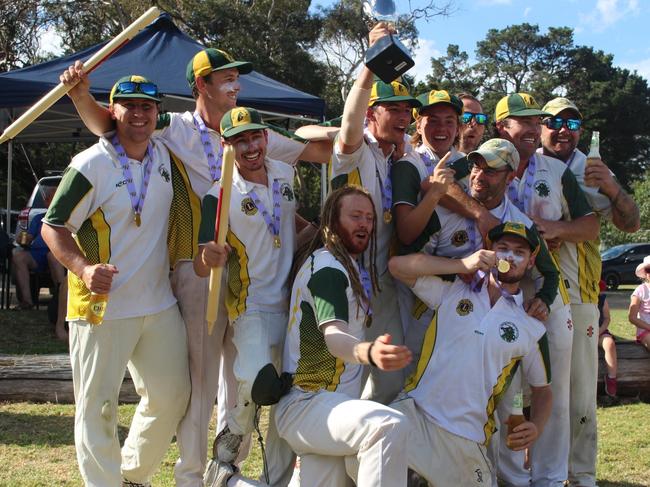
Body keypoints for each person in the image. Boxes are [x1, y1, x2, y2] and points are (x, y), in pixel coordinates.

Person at [61, 48, 330, 486]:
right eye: (226, 78)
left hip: (255, 279)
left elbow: (318, 149)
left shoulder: (252, 130)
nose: (236, 85)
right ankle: (189, 477)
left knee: (238, 384)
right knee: (199, 383)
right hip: (198, 268)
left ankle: (225, 470)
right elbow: (112, 125)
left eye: (236, 78)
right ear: (202, 85)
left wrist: (354, 127)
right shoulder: (176, 127)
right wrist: (79, 96)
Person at [41, 75, 190, 487]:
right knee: (97, 408)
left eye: (147, 106)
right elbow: (52, 226)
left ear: (157, 113)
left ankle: (132, 477)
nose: (139, 115)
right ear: (113, 111)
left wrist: (80, 95)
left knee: (172, 395)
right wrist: (84, 269)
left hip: (158, 303)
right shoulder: (90, 164)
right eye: (129, 106)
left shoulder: (164, 151)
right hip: (99, 306)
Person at [388, 222, 553, 486]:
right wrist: (462, 265)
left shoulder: (532, 326)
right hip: (416, 414)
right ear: (489, 251)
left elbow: (543, 390)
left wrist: (536, 426)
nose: (509, 257)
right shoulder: (453, 287)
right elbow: (397, 266)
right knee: (372, 448)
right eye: (502, 248)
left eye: (519, 251)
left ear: (531, 261)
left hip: (468, 436)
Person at [493, 93, 599, 487]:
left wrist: (557, 230)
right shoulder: (487, 166)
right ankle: (509, 475)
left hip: (553, 296)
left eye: (536, 120)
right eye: (523, 121)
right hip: (498, 297)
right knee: (502, 387)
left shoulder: (554, 170)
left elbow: (590, 226)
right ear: (503, 126)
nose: (533, 128)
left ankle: (551, 478)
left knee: (553, 389)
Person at [274, 185, 412, 487]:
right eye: (355, 216)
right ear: (331, 222)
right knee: (388, 425)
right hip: (309, 404)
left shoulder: (341, 265)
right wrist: (369, 352)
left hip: (326, 409)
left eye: (369, 218)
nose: (364, 224)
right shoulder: (329, 271)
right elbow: (334, 337)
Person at [194, 107, 300, 487]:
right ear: (226, 146)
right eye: (240, 140)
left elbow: (289, 221)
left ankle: (277, 479)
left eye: (255, 136)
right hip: (250, 305)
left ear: (265, 138)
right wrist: (209, 256)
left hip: (293, 305)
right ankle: (224, 458)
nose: (250, 146)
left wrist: (321, 233)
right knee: (258, 383)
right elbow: (200, 264)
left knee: (288, 396)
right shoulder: (218, 194)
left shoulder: (285, 174)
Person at [539, 96, 640, 486]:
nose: (562, 129)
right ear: (541, 125)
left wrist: (612, 188)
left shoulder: (591, 167)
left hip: (579, 292)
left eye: (572, 122)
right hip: (530, 292)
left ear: (581, 130)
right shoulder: (527, 162)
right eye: (553, 121)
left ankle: (580, 475)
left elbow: (630, 223)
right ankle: (535, 471)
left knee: (579, 393)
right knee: (535, 388)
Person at [330, 22, 421, 404]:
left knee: (390, 377)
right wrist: (372, 62)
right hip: (343, 279)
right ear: (372, 112)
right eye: (393, 109)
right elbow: (349, 124)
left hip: (381, 284)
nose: (403, 116)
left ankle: (362, 459)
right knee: (340, 379)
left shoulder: (394, 157)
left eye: (407, 110)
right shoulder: (354, 150)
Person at [11, 187, 66, 312]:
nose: (48, 201)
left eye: (52, 198)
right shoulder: (38, 218)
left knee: (52, 256)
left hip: (58, 255)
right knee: (18, 255)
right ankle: (26, 301)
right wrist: (22, 239)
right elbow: (28, 238)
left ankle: (61, 301)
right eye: (47, 199)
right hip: (37, 255)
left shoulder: (66, 219)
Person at [597, 280, 617, 397]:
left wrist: (599, 331)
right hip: (582, 334)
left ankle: (612, 378)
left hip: (600, 332)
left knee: (609, 344)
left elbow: (607, 318)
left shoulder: (602, 299)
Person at [629, 256, 650, 352]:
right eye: (649, 269)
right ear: (645, 273)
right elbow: (632, 317)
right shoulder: (640, 290)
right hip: (645, 330)